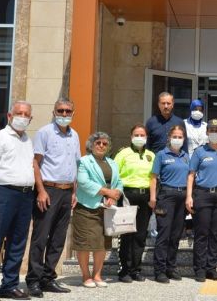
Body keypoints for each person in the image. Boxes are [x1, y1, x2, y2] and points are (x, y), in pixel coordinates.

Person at [0, 101, 35, 301]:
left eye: (26, 114)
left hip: (25, 196)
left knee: (17, 242)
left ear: (30, 119)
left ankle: (9, 285)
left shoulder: (28, 140)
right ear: (9, 116)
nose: (22, 117)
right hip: (1, 195)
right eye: (18, 113)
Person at [26, 98, 80, 297]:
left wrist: (74, 191)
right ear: (54, 111)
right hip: (48, 190)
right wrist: (40, 191)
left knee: (58, 238)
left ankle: (48, 278)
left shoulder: (75, 135)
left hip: (67, 192)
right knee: (41, 237)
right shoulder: (44, 133)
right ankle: (33, 280)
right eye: (60, 110)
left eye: (68, 111)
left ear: (73, 113)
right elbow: (35, 163)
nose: (64, 114)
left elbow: (75, 165)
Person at [72, 132, 123, 288]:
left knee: (102, 243)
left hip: (106, 208)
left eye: (105, 143)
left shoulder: (112, 162)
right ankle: (86, 276)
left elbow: (119, 182)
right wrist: (107, 192)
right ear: (91, 145)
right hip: (87, 207)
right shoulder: (84, 161)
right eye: (98, 143)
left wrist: (115, 195)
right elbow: (84, 182)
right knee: (86, 243)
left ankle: (97, 275)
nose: (101, 145)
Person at [186, 119, 217, 282]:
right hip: (203, 195)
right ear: (207, 133)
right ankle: (199, 268)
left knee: (216, 234)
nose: (214, 133)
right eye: (211, 130)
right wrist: (189, 197)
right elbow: (191, 175)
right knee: (202, 233)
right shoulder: (199, 152)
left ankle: (211, 268)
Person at [114, 124, 155, 283]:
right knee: (126, 234)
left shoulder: (151, 155)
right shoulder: (123, 153)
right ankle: (124, 270)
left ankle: (135, 269)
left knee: (140, 235)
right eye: (136, 134)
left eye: (142, 135)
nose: (139, 137)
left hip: (144, 197)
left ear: (146, 137)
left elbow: (153, 178)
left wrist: (153, 197)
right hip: (127, 195)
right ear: (131, 137)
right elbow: (116, 175)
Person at [149, 125, 189, 283]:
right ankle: (159, 271)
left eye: (180, 137)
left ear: (184, 139)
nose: (177, 139)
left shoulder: (186, 156)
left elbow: (190, 177)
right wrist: (153, 197)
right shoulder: (161, 154)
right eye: (175, 136)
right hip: (166, 196)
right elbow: (153, 177)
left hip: (182, 196)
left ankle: (170, 268)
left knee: (176, 235)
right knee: (164, 234)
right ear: (169, 138)